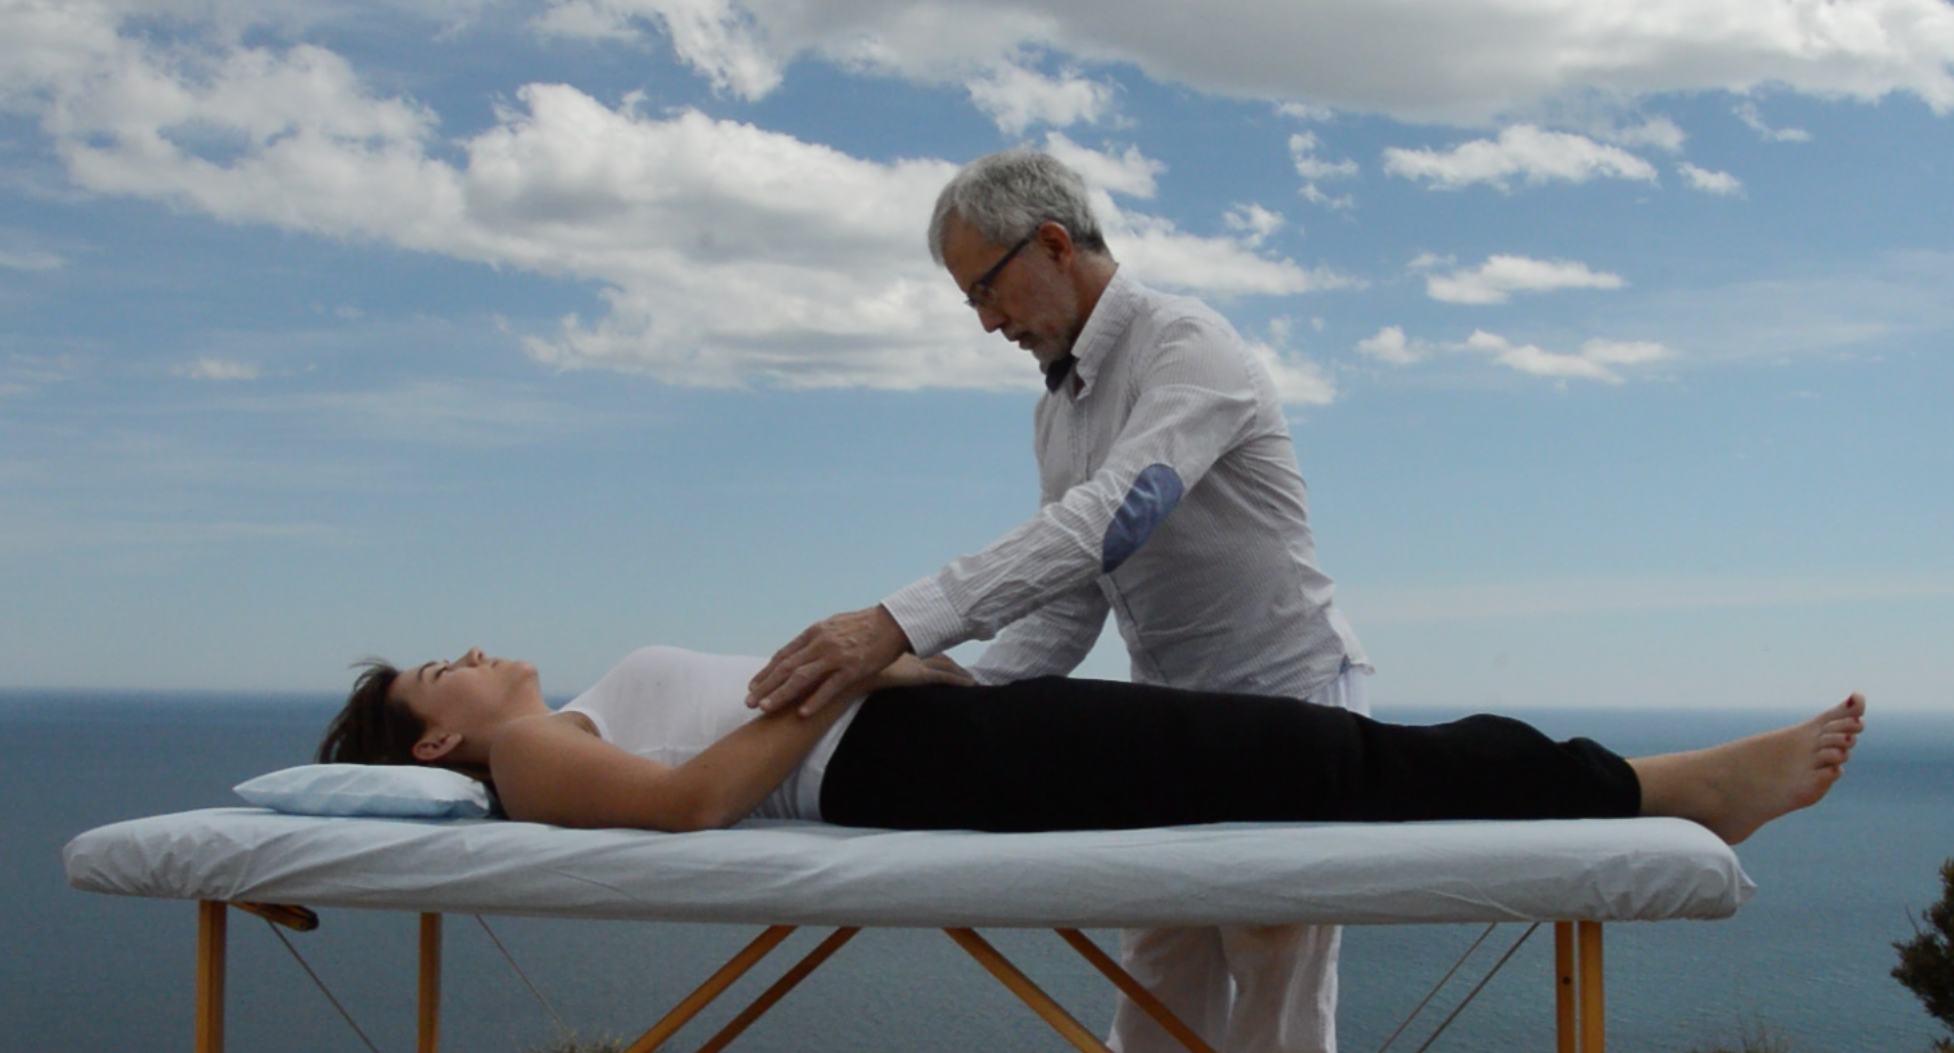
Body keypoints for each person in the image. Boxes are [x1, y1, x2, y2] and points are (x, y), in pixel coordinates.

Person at [743, 148, 1375, 1053]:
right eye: (971, 301)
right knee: (1156, 974)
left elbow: (1114, 519)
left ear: (1052, 244)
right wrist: (958, 694)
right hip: (1169, 722)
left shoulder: (1188, 346)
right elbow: (1069, 603)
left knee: (1274, 975)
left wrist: (893, 625)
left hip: (1289, 697)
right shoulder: (1058, 411)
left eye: (987, 292)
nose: (987, 322)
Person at [317, 645, 1865, 855]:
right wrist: (830, 686)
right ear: (437, 732)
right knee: (1316, 763)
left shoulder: (568, 700)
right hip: (913, 767)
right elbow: (682, 809)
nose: (474, 644)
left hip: (928, 730)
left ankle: (1649, 787)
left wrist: (892, 661)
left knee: (1313, 752)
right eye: (442, 664)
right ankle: (1668, 789)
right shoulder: (528, 757)